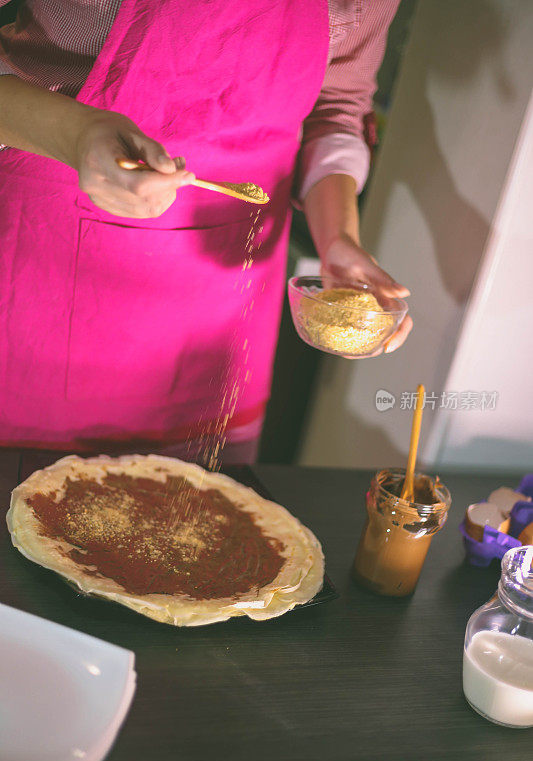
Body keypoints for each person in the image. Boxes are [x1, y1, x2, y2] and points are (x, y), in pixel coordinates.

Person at [0, 0, 412, 464]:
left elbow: (337, 106)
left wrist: (338, 236)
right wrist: (75, 135)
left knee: (196, 513)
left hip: (225, 288)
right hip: (40, 264)